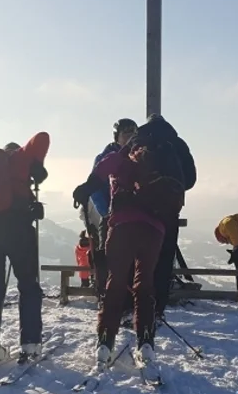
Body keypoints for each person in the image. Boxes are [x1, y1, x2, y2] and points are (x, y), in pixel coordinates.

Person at [74, 138, 184, 369]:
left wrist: (85, 189)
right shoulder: (159, 167)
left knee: (115, 283)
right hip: (154, 231)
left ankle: (105, 342)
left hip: (122, 227)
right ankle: (146, 342)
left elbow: (100, 171)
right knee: (144, 285)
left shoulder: (121, 161)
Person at [0, 132, 50, 365]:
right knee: (28, 286)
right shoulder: (19, 158)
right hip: (17, 231)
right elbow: (42, 137)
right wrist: (37, 163)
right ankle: (30, 345)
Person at [126, 114, 196, 318]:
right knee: (164, 258)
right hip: (169, 210)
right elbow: (190, 179)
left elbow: (125, 171)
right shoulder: (178, 143)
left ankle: (134, 306)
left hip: (139, 209)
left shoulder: (138, 140)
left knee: (137, 258)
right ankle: (157, 308)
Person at [81, 118, 137, 297]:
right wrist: (107, 213)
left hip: (134, 216)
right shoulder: (105, 157)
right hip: (112, 216)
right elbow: (95, 188)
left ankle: (127, 297)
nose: (130, 137)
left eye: (133, 133)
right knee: (109, 257)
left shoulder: (138, 156)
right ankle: (108, 295)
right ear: (117, 137)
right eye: (126, 133)